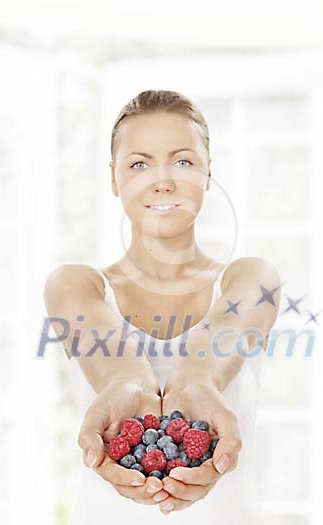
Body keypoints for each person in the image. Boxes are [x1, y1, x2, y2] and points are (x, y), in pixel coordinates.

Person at [44, 90, 282, 523]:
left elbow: (209, 358)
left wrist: (197, 384)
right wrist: (127, 385)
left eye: (183, 161)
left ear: (209, 172)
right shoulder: (75, 286)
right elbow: (116, 364)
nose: (163, 180)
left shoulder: (251, 279)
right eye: (138, 163)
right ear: (113, 179)